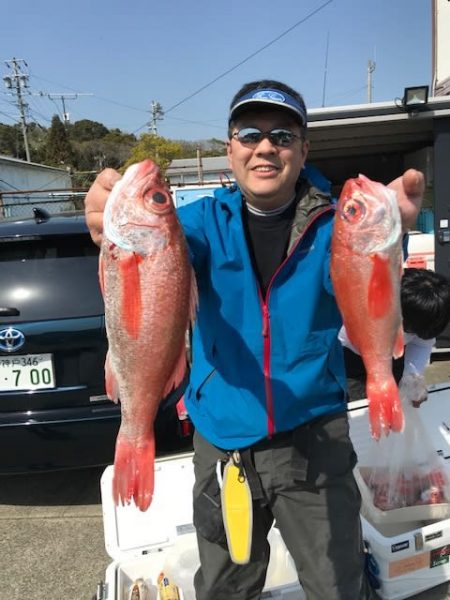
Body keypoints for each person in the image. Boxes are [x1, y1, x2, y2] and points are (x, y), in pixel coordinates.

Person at [85, 80, 424, 600]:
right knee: (225, 588)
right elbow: (151, 279)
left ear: (304, 149)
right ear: (230, 148)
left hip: (315, 439)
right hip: (223, 444)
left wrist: (386, 240)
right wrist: (110, 229)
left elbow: (364, 299)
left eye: (283, 135)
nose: (266, 146)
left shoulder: (339, 225)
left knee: (338, 586)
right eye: (249, 132)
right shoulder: (192, 224)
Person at [341, 267, 450, 405]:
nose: (412, 334)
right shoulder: (358, 308)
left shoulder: (426, 316)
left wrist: (412, 378)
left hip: (396, 357)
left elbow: (421, 343)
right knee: (361, 409)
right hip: (353, 358)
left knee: (400, 403)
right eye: (409, 328)